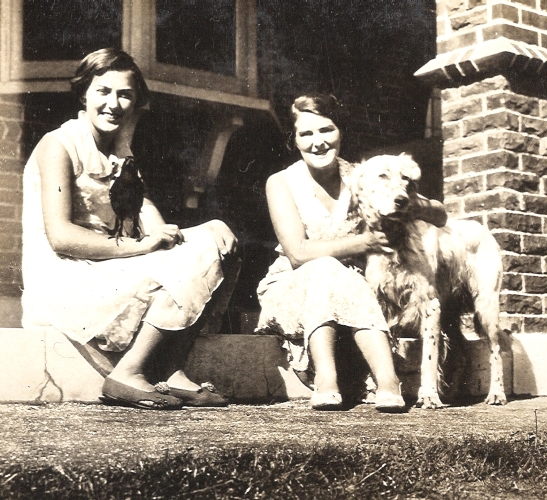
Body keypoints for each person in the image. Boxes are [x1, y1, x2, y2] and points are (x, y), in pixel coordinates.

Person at [21, 48, 238, 410]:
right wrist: (146, 247)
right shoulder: (57, 145)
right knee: (192, 254)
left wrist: (200, 229)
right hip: (66, 275)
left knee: (217, 241)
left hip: (107, 264)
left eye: (125, 94)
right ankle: (128, 373)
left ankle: (172, 370)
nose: (114, 104)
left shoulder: (116, 149)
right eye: (103, 91)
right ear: (83, 94)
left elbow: (148, 217)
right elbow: (61, 237)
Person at [255, 93, 447, 412]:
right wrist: (364, 244)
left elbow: (440, 215)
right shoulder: (282, 182)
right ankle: (329, 379)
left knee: (344, 275)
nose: (318, 142)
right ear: (294, 141)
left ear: (340, 132)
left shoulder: (359, 175)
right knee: (324, 267)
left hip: (351, 292)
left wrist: (410, 202)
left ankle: (388, 385)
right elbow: (298, 253)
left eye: (326, 130)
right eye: (306, 134)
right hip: (292, 287)